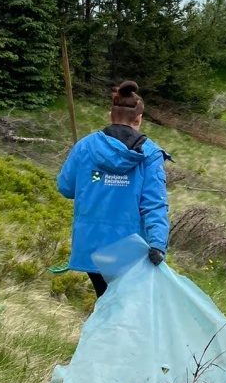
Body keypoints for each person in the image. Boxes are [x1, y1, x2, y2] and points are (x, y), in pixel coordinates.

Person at [57, 80, 170, 298]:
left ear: (110, 115)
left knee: (106, 301)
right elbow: (154, 204)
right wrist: (157, 244)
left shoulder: (85, 146)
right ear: (138, 119)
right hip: (130, 250)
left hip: (92, 247)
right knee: (124, 309)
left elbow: (66, 187)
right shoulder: (150, 154)